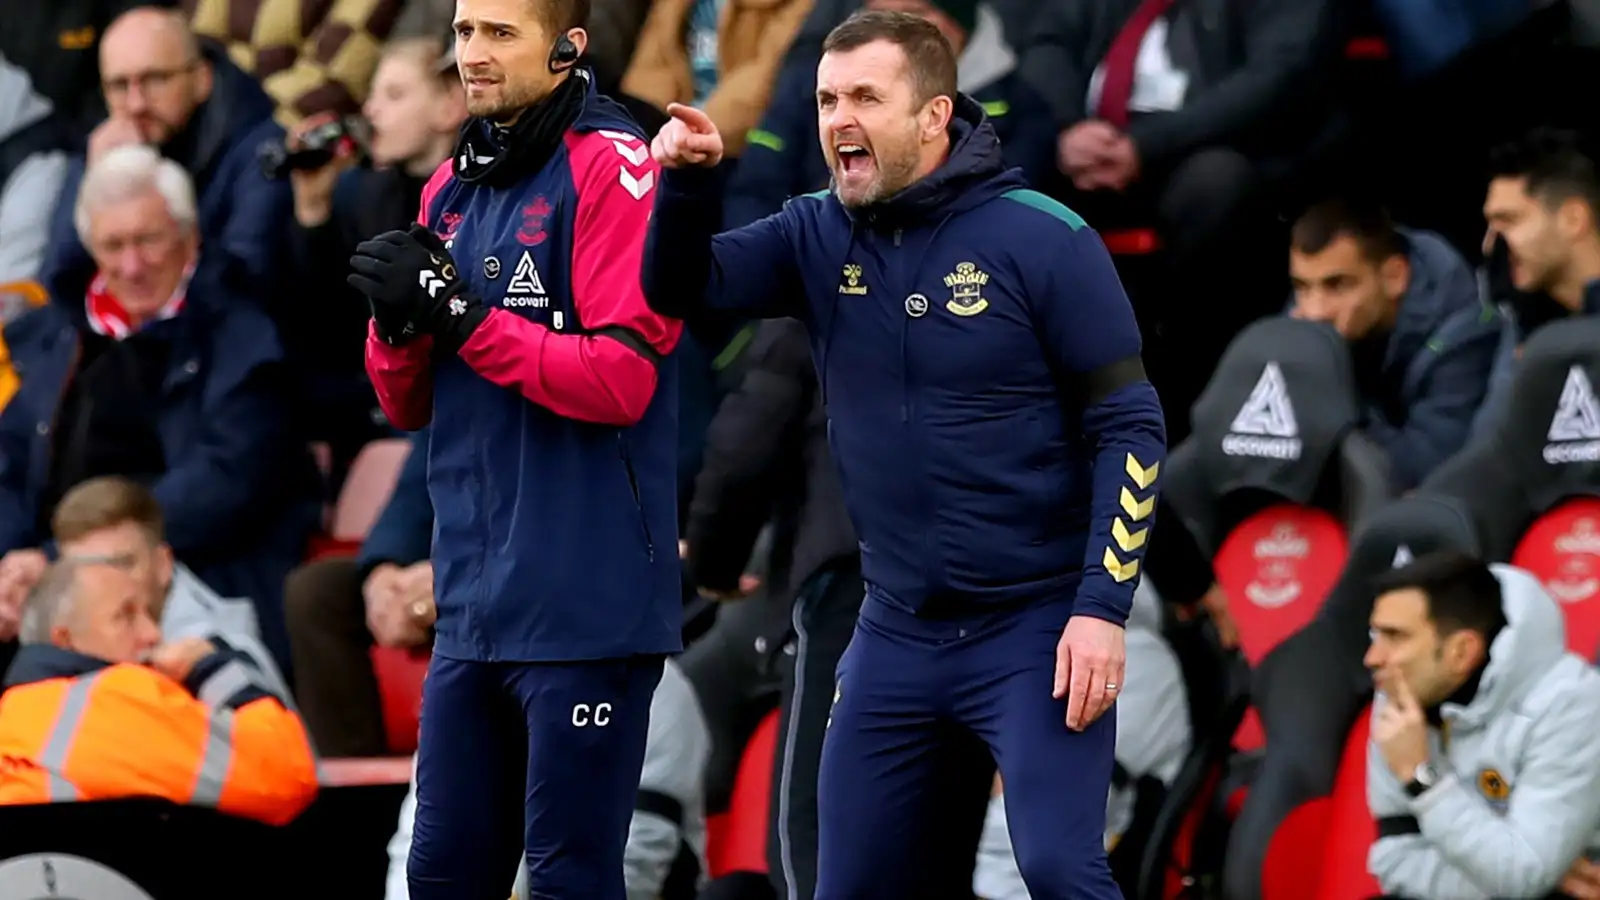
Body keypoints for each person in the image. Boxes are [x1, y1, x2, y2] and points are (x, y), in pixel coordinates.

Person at [643, 10, 1167, 898]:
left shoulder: (1045, 237)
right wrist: (689, 189)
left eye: (865, 98)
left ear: (933, 114)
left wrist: (1101, 609)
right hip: (895, 633)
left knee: (1055, 867)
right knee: (846, 884)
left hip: (1034, 627)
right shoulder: (814, 231)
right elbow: (678, 288)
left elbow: (1132, 428)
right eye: (825, 99)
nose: (838, 119)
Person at [342, 0, 685, 895]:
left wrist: (460, 316)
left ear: (568, 46)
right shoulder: (449, 186)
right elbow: (410, 404)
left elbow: (620, 379)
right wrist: (395, 328)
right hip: (470, 604)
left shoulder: (614, 167)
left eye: (501, 34)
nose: (473, 55)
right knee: (442, 875)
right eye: (463, 34)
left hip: (584, 602)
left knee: (570, 877)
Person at [0, 558, 318, 825]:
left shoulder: (18, 711)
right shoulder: (114, 697)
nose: (152, 633)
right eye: (125, 616)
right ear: (66, 641)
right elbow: (287, 776)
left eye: (151, 614)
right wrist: (210, 667)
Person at [1364, 552, 1600, 900]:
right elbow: (1395, 858)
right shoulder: (1399, 693)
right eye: (1375, 635)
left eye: (1395, 637)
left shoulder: (1573, 704)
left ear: (1462, 651)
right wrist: (1511, 876)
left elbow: (1522, 874)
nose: (1373, 658)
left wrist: (1422, 780)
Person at [51, 475, 289, 701]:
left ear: (163, 564)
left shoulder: (220, 655)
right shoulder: (70, 638)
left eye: (122, 564)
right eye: (84, 573)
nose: (109, 584)